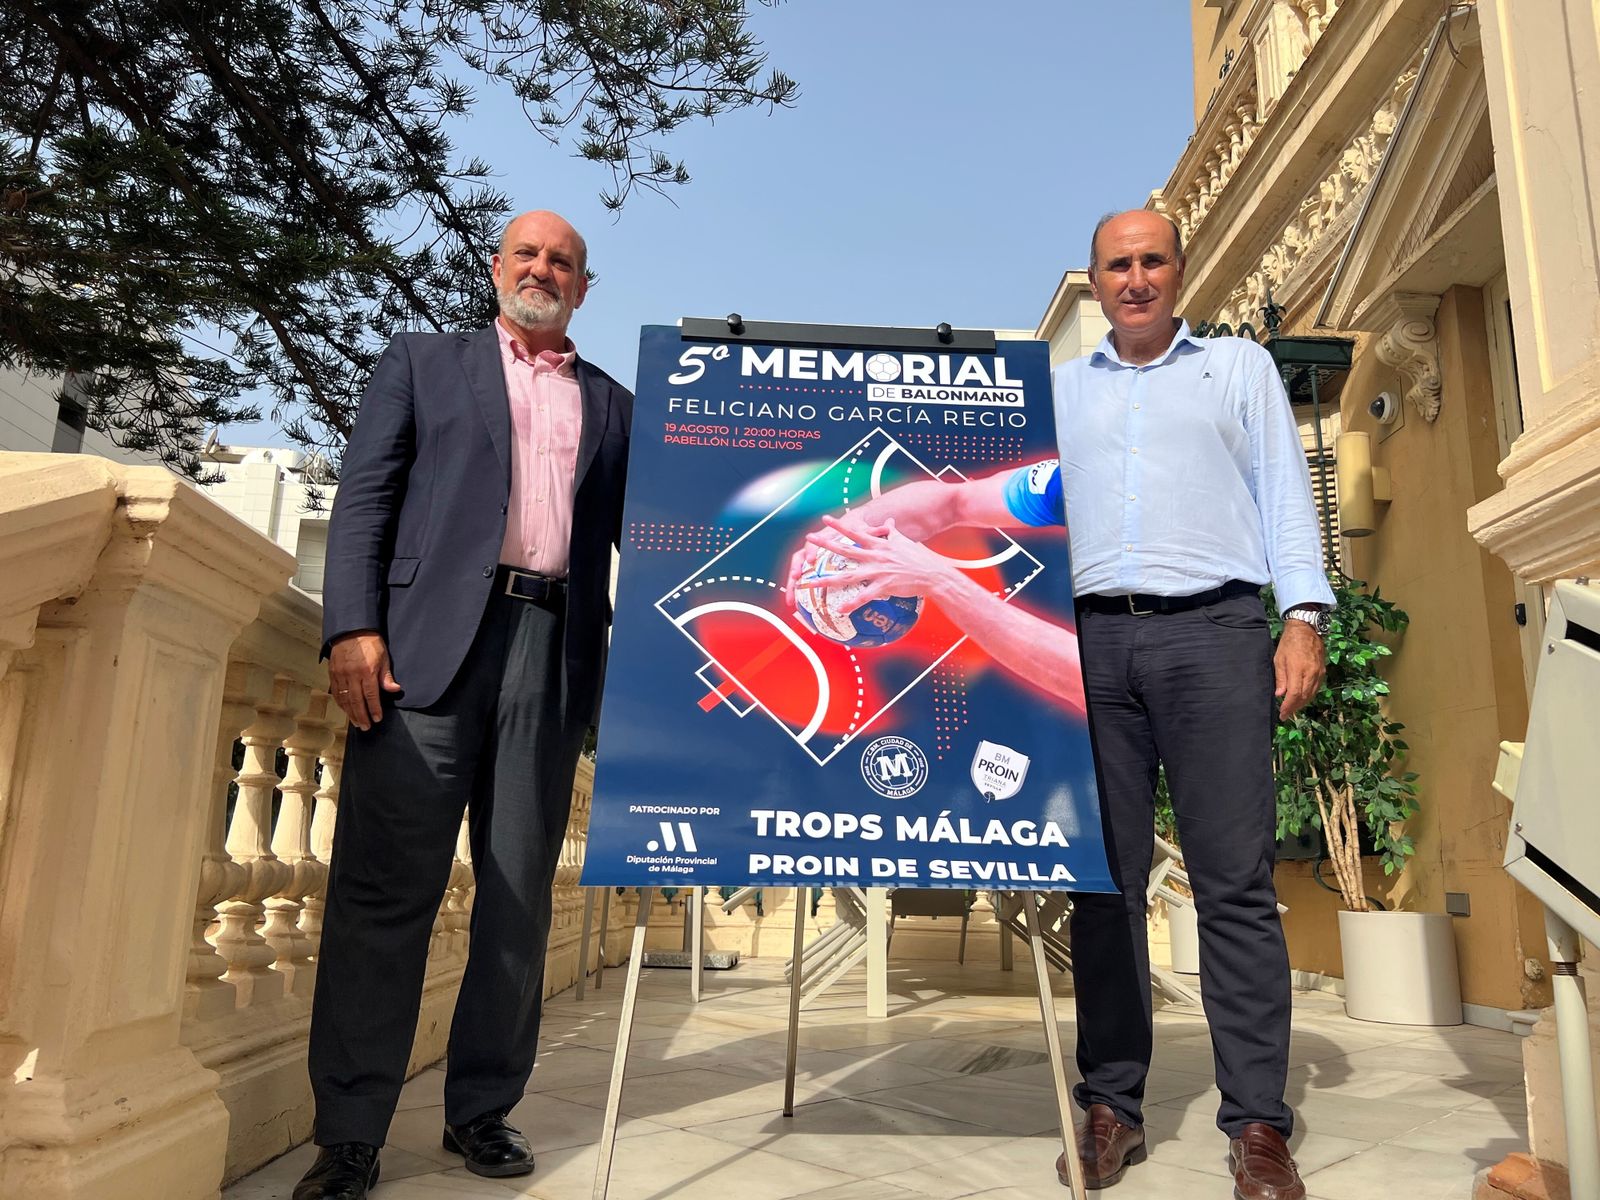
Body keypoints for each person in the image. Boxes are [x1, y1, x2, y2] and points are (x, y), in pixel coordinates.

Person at [796, 209, 1332, 1200]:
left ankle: (1257, 1122)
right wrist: (860, 531)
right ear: (1095, 280)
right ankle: (1109, 1108)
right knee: (1103, 884)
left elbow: (1284, 491)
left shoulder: (1236, 371)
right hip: (1089, 644)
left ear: (1180, 270)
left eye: (1151, 261)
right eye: (1117, 265)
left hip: (1214, 633)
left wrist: (1301, 615)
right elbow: (964, 504)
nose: (1135, 279)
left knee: (1234, 883)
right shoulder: (1055, 397)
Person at [295, 210, 631, 1200]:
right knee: (383, 894)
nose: (542, 268)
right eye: (526, 253)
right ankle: (350, 1131)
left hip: (552, 646)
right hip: (420, 657)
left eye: (561, 261)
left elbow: (659, 535)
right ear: (497, 269)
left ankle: (482, 1110)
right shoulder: (421, 362)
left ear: (583, 286)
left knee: (520, 899)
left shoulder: (613, 404)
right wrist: (350, 625)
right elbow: (364, 497)